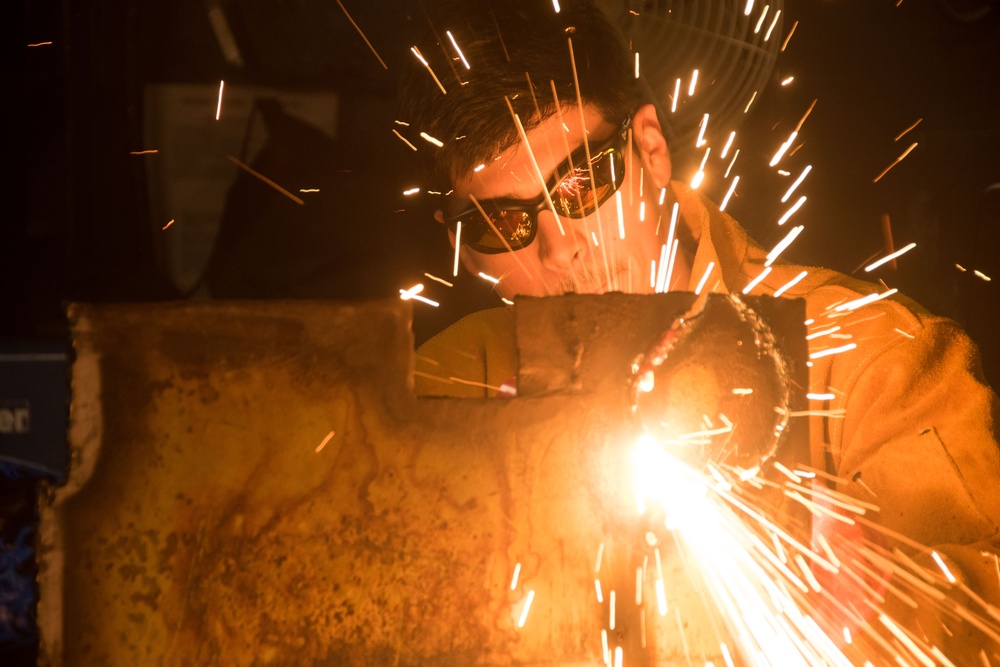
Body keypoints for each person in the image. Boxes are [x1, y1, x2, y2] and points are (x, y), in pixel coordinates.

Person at [399, 0, 1000, 657]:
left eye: (580, 181)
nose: (556, 248)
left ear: (651, 148)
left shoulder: (870, 358)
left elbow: (981, 613)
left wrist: (877, 603)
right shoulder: (446, 386)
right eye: (499, 224)